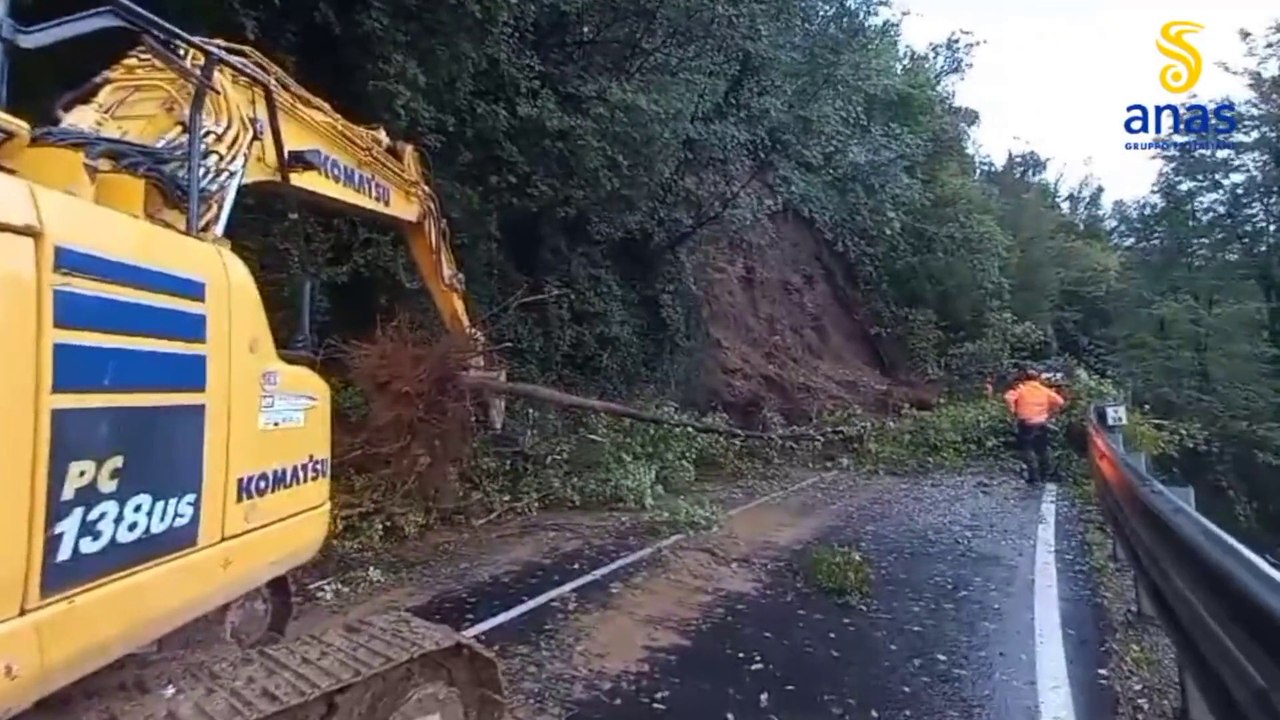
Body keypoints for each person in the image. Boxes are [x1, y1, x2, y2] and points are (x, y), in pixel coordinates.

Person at [1003, 366, 1066, 483]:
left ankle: (1034, 476)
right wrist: (1052, 412)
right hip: (1042, 422)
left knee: (1027, 448)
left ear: (1024, 378)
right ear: (1037, 379)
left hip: (1026, 423)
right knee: (1042, 448)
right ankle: (1046, 474)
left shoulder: (1021, 389)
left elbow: (1008, 397)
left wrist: (1012, 410)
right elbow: (1060, 402)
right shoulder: (1044, 390)